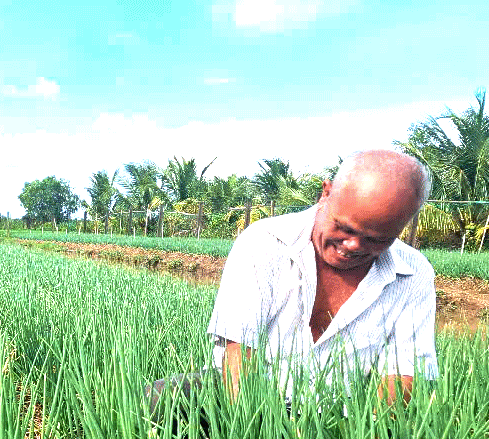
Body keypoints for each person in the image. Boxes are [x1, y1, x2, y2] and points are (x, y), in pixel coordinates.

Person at [147, 149, 436, 414]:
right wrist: (251, 438)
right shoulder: (264, 243)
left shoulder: (413, 272)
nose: (353, 246)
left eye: (377, 239)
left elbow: (404, 372)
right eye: (344, 227)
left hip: (341, 408)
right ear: (326, 193)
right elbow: (239, 353)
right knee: (155, 400)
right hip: (252, 392)